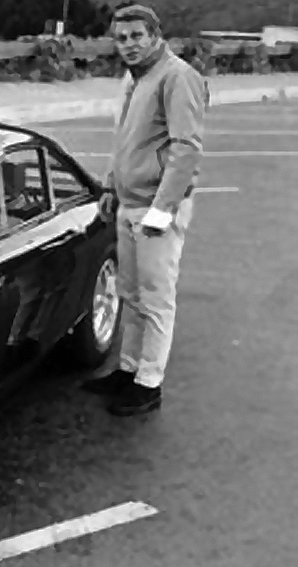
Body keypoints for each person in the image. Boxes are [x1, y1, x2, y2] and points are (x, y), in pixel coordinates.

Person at [83, 3, 209, 417]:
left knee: (155, 299)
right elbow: (124, 139)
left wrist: (163, 208)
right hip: (129, 202)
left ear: (155, 35)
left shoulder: (177, 77)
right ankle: (128, 369)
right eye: (121, 38)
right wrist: (110, 184)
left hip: (156, 208)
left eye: (137, 35)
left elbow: (186, 148)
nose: (129, 45)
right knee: (130, 294)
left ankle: (149, 383)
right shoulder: (134, 78)